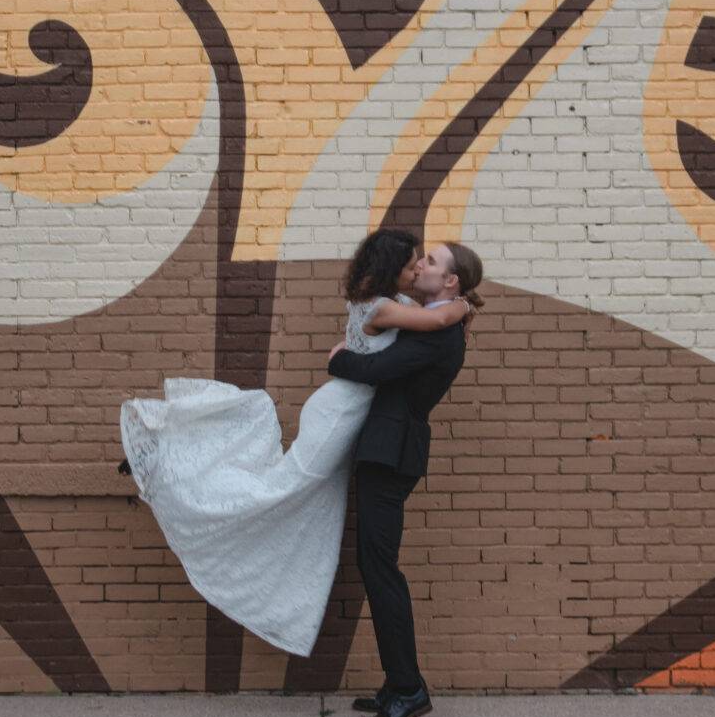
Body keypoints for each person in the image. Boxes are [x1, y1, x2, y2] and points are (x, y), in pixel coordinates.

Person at [118, 229, 470, 657]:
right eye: (413, 263)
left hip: (344, 412)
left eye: (426, 263)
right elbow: (434, 322)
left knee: (291, 497)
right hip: (338, 416)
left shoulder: (393, 304)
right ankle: (171, 461)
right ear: (391, 270)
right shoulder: (387, 307)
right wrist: (463, 304)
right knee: (278, 491)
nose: (418, 269)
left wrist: (346, 354)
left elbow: (411, 331)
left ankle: (179, 461)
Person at [326, 241, 485, 717]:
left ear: (452, 281)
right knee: (376, 567)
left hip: (391, 453)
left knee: (381, 570)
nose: (421, 266)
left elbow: (374, 370)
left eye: (432, 262)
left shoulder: (441, 331)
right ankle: (398, 684)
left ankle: (409, 687)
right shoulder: (432, 316)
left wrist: (336, 358)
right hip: (387, 449)